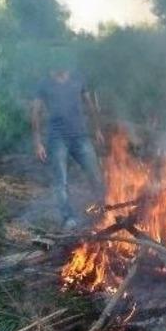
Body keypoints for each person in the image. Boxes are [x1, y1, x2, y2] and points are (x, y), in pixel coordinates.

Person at [31, 66, 105, 230]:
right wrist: (37, 142)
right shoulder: (44, 84)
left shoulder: (78, 78)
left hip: (81, 136)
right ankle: (68, 218)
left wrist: (97, 129)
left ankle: (104, 210)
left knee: (95, 174)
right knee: (61, 182)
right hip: (57, 139)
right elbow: (35, 112)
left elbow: (90, 105)